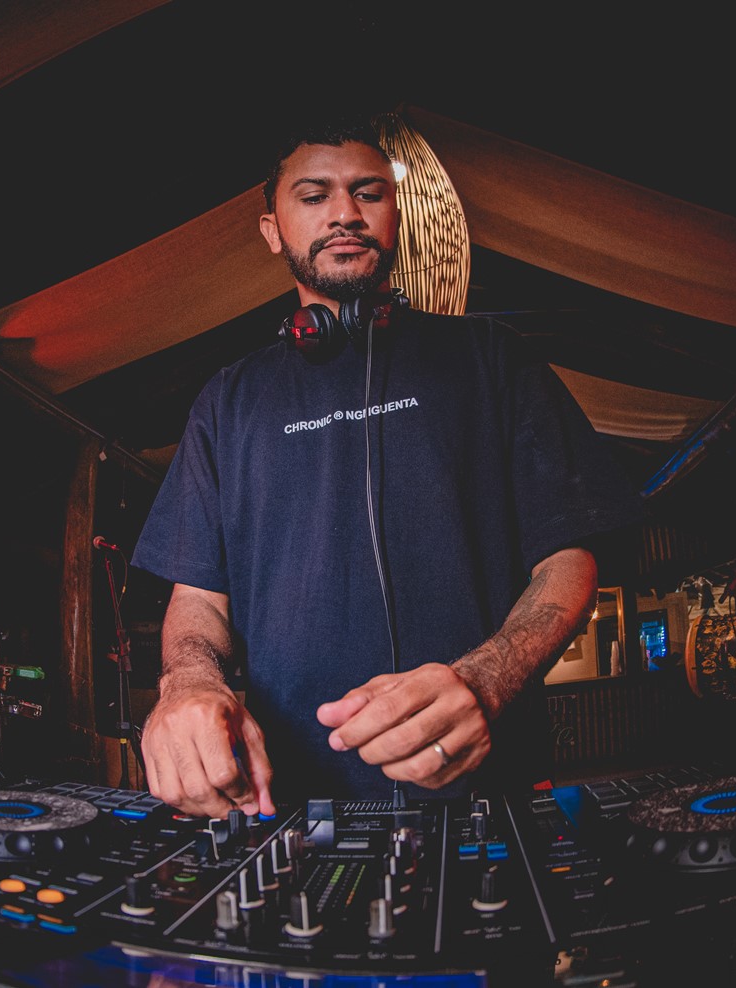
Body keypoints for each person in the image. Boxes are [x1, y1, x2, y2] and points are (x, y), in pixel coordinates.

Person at [129, 114, 641, 818]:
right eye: (314, 196)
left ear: (395, 216)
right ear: (273, 230)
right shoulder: (227, 401)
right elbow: (198, 600)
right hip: (291, 807)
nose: (345, 213)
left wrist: (486, 680)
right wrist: (188, 683)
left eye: (368, 192)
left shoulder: (494, 358)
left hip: (488, 795)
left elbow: (568, 562)